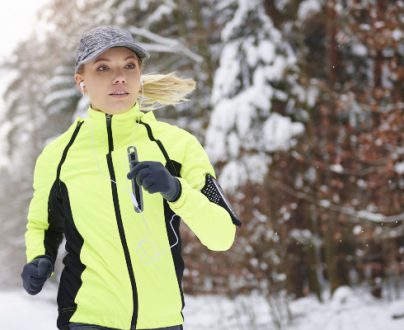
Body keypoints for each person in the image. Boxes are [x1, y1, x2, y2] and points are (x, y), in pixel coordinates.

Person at [21, 26, 241, 330]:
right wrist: (38, 259)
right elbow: (42, 226)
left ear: (139, 74)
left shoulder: (177, 146)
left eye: (129, 65)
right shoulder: (58, 156)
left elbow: (222, 236)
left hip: (161, 321)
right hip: (87, 319)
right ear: (80, 81)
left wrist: (176, 191)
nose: (119, 76)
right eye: (102, 67)